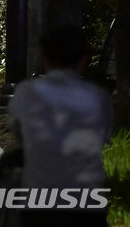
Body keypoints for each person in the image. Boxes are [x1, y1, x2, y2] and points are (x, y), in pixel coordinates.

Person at [8, 25, 113, 227]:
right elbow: (101, 139)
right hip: (88, 202)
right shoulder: (99, 97)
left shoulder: (26, 93)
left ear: (45, 60)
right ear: (83, 60)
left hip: (38, 203)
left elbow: (19, 135)